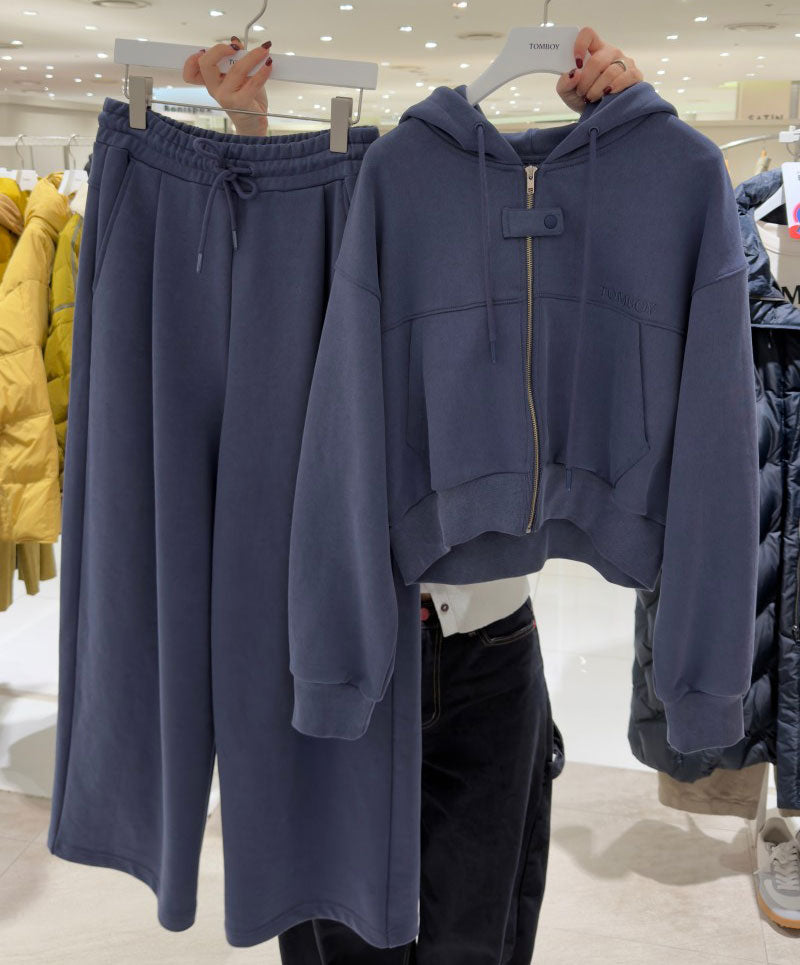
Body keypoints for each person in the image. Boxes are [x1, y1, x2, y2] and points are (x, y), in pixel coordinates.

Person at [184, 26, 644, 964]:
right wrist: (253, 139)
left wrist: (615, 130)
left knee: (480, 933)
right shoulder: (348, 199)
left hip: (488, 633)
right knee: (335, 923)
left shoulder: (468, 204)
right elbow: (251, 327)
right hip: (340, 626)